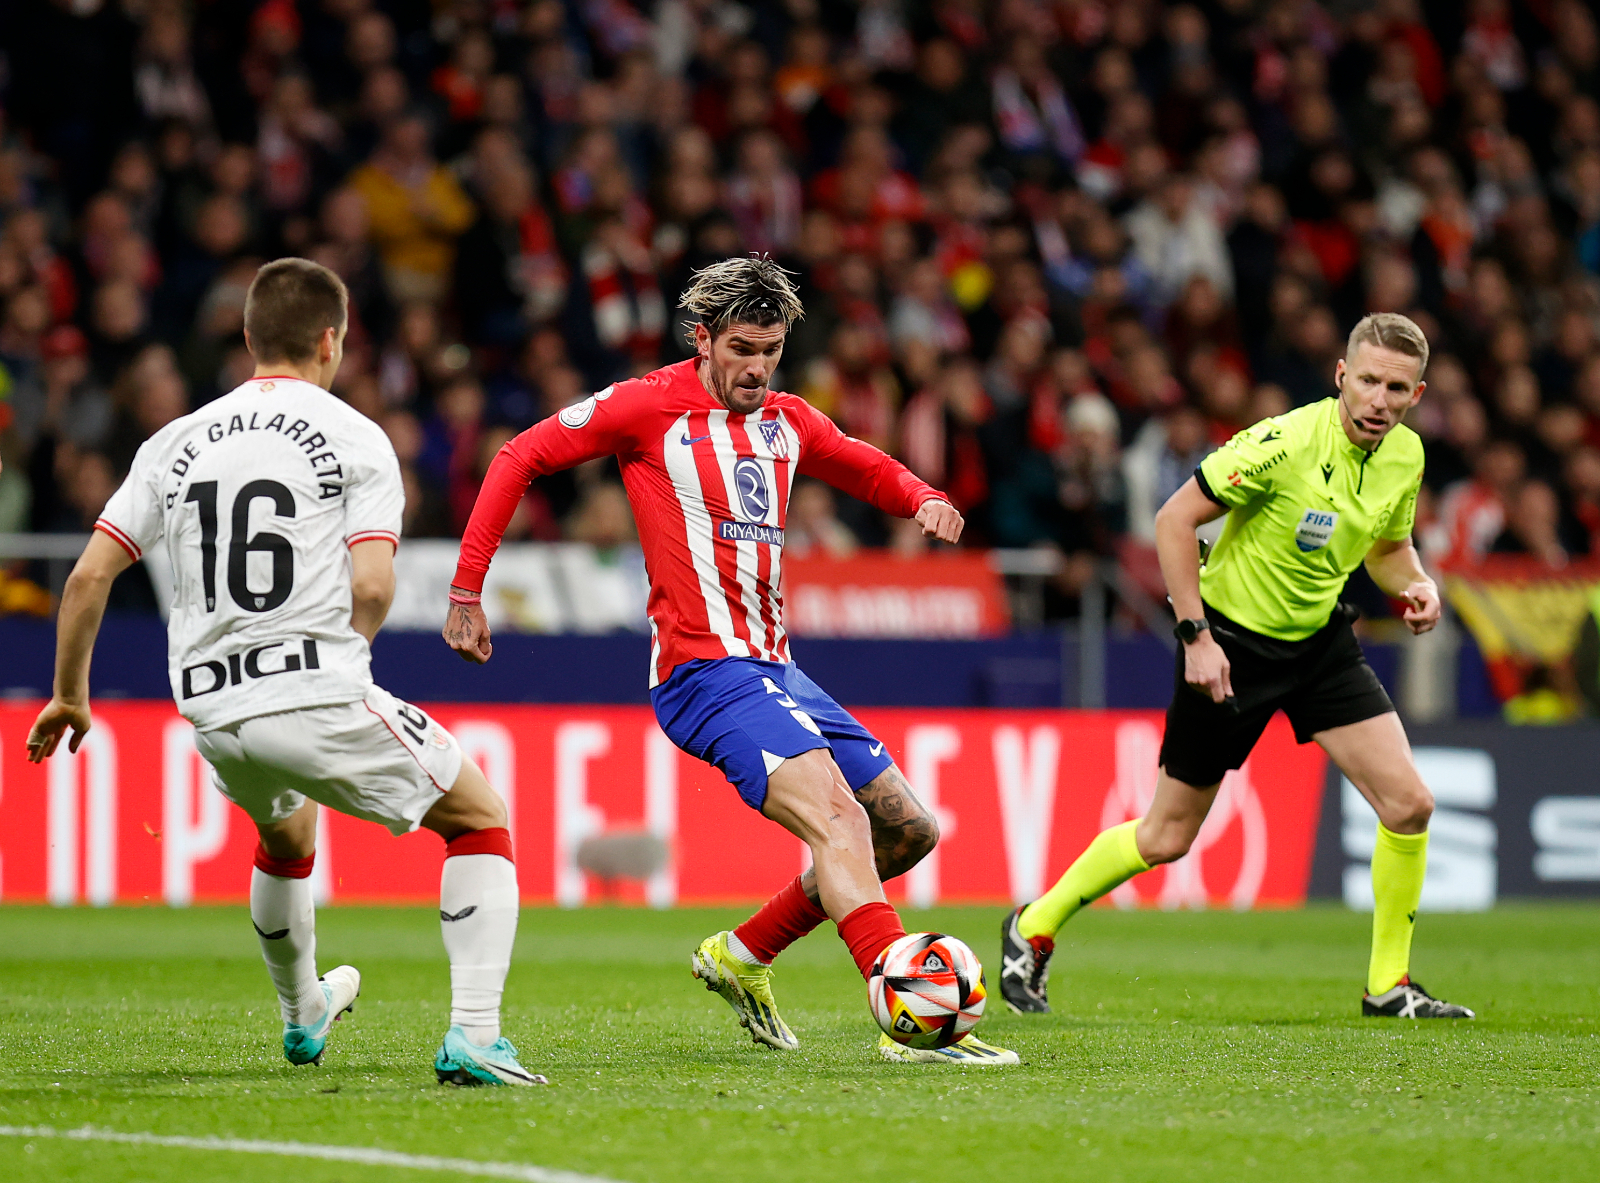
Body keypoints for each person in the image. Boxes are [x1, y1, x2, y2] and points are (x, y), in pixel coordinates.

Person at [443, 255, 1017, 1065]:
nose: (757, 367)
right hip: (703, 671)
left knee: (902, 829)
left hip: (777, 670)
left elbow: (860, 461)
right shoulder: (647, 408)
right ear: (703, 338)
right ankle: (908, 1017)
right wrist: (467, 590)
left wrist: (921, 495)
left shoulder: (787, 420)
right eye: (743, 348)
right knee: (841, 819)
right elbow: (517, 458)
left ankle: (742, 953)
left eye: (771, 350)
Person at [25, 258, 543, 1087]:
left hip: (211, 709)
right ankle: (476, 1034)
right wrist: (345, 664)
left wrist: (68, 694)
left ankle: (304, 1009)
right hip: (309, 687)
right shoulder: (354, 435)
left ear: (247, 336)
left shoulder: (175, 440)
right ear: (332, 340)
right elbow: (372, 585)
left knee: (287, 835)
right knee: (480, 816)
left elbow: (87, 576)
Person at [999, 312, 1475, 1022]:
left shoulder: (1405, 456)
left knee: (1410, 805)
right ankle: (1032, 924)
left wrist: (1417, 584)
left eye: (1396, 388)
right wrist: (1195, 636)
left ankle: (1389, 984)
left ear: (1417, 393)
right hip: (1230, 645)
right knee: (1166, 836)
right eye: (1368, 381)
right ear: (1342, 376)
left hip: (1318, 643)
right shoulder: (1281, 442)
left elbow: (1387, 548)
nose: (1379, 399)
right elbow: (1171, 519)